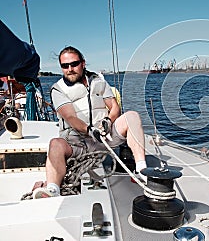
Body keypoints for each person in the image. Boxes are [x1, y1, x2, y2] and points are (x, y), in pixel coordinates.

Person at [33, 46, 147, 198]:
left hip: (104, 138)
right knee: (55, 144)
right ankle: (53, 188)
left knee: (132, 116)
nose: (70, 69)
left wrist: (108, 120)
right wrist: (89, 130)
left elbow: (114, 106)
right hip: (78, 143)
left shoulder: (98, 81)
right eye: (65, 66)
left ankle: (141, 170)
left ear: (83, 63)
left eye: (74, 64)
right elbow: (70, 118)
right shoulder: (58, 89)